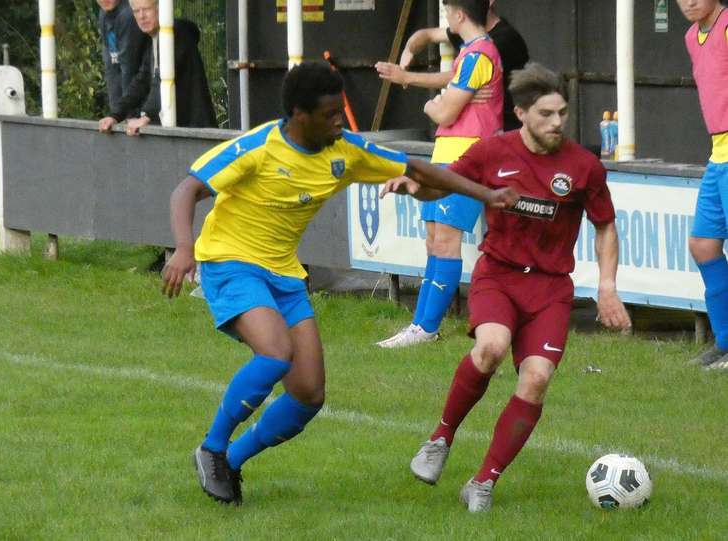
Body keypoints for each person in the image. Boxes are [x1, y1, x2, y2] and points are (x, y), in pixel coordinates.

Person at [161, 62, 519, 506]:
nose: (339, 120)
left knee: (308, 395)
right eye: (330, 114)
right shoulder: (258, 147)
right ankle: (211, 448)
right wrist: (183, 247)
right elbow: (187, 189)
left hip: (285, 274)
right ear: (298, 114)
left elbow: (420, 170)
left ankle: (231, 461)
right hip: (230, 263)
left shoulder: (344, 150)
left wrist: (486, 195)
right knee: (275, 354)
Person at [382, 63, 631, 512]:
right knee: (491, 348)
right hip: (499, 275)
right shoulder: (492, 152)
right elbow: (441, 184)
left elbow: (605, 226)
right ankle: (440, 438)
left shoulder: (583, 166)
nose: (557, 123)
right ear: (521, 113)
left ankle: (482, 482)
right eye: (546, 114)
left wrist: (607, 287)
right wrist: (411, 187)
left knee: (536, 379)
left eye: (561, 113)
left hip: (551, 289)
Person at [375, 0, 504, 349]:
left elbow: (446, 110)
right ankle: (421, 325)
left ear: (460, 14)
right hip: (447, 154)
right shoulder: (471, 52)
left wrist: (432, 105)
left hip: (468, 157)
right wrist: (408, 78)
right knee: (434, 239)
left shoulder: (480, 55)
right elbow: (450, 83)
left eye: (448, 11)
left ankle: (425, 328)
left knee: (445, 241)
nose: (446, 17)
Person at [376, 0, 528, 130]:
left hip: (503, 128)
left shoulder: (500, 42)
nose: (447, 16)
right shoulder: (469, 35)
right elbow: (428, 34)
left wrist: (407, 78)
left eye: (448, 10)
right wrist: (409, 49)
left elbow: (447, 105)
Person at [677, 0, 728, 370]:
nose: (689, 1)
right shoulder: (692, 36)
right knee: (704, 244)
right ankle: (725, 343)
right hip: (718, 152)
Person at [99, 0, 217, 135]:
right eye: (136, 11)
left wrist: (147, 116)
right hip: (179, 133)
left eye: (146, 9)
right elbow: (141, 82)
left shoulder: (175, 34)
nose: (141, 16)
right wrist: (115, 115)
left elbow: (162, 78)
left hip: (196, 133)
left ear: (161, 9)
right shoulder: (154, 39)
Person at [96, 0, 147, 121]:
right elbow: (112, 66)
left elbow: (129, 67)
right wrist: (115, 114)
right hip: (128, 99)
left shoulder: (129, 14)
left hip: (145, 101)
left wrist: (125, 114)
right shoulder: (104, 14)